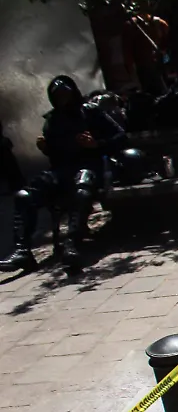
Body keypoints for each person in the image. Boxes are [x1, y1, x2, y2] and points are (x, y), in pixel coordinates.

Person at [0, 75, 126, 272]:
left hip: (90, 167)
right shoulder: (52, 120)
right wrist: (46, 148)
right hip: (62, 171)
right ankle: (22, 251)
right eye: (58, 96)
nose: (62, 100)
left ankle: (73, 244)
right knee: (25, 195)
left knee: (82, 188)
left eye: (65, 95)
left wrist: (96, 144)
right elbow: (56, 156)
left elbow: (121, 136)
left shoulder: (90, 112)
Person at [123, 6, 171, 96]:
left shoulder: (160, 23)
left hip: (158, 66)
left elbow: (167, 45)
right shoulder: (131, 26)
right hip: (145, 69)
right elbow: (128, 55)